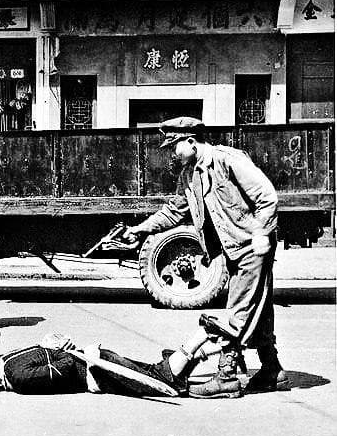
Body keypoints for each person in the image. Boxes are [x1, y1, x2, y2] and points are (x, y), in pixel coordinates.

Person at [120, 117, 286, 398]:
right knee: (258, 311)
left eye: (174, 146)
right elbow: (175, 210)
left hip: (250, 247)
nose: (172, 152)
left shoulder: (227, 159)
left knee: (236, 312)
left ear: (191, 141)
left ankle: (227, 375)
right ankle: (272, 369)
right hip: (229, 251)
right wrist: (140, 229)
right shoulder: (188, 174)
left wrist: (260, 233)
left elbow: (266, 196)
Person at [0, 323, 228, 398]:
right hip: (98, 361)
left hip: (98, 371)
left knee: (162, 379)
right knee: (154, 372)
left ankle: (202, 334)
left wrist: (67, 350)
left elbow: (62, 369)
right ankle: (213, 349)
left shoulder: (18, 377)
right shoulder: (9, 359)